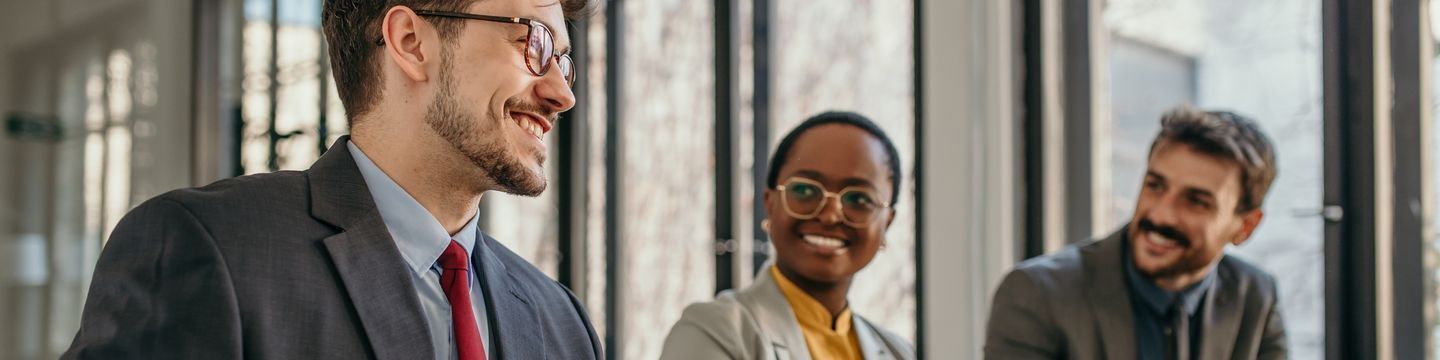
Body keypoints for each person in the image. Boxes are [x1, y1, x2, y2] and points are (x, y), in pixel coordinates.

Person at [62, 0, 600, 359]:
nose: (563, 92)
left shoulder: (564, 324)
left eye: (566, 60)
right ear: (411, 41)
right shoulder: (207, 249)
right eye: (535, 42)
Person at [985, 105, 1287, 360]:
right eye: (1155, 185)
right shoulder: (1035, 295)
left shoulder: (1257, 296)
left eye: (1196, 201)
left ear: (1244, 227)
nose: (1160, 214)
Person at [659, 112, 917, 360]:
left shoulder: (900, 353)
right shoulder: (713, 332)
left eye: (859, 199)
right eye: (805, 190)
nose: (829, 216)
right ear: (770, 203)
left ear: (887, 223)